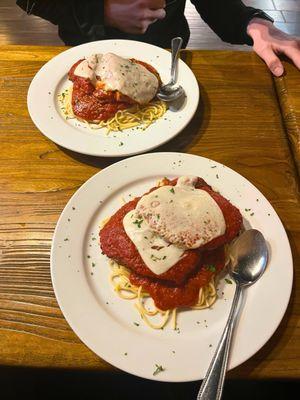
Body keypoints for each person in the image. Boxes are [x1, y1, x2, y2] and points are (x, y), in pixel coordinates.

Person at [17, 0, 300, 76]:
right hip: (85, 49)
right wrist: (100, 10)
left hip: (168, 58)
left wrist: (252, 22)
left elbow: (219, 8)